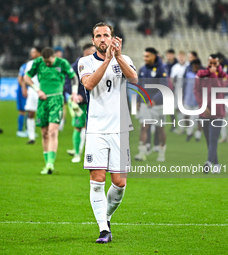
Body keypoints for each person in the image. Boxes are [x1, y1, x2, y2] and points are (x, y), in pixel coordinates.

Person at [78, 22, 137, 243]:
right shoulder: (85, 62)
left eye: (106, 35)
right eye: (98, 36)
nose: (103, 39)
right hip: (96, 129)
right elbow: (90, 84)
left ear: (113, 38)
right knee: (97, 179)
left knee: (120, 183)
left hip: (120, 129)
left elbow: (134, 79)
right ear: (93, 40)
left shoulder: (125, 59)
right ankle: (103, 230)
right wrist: (108, 61)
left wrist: (118, 57)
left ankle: (107, 217)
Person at [24, 47, 78, 174]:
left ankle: (50, 164)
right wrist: (37, 89)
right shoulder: (38, 62)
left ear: (53, 57)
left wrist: (74, 93)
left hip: (57, 100)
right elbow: (26, 77)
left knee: (53, 131)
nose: (47, 64)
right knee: (44, 133)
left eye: (49, 61)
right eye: (45, 61)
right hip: (43, 101)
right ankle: (46, 162)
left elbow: (74, 77)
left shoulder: (62, 63)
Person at [194, 54, 228, 173]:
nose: (212, 65)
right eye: (211, 63)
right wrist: (202, 106)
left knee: (213, 139)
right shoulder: (200, 74)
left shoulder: (223, 76)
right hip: (204, 112)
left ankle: (208, 162)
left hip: (217, 112)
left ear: (218, 63)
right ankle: (216, 164)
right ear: (207, 62)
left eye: (215, 63)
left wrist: (213, 74)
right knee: (209, 140)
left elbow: (220, 88)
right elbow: (196, 90)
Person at [134, 47, 168, 162]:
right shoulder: (143, 69)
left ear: (154, 56)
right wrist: (138, 101)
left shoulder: (161, 69)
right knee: (144, 127)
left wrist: (154, 100)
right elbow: (140, 86)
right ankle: (142, 152)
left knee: (160, 128)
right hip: (145, 104)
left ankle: (162, 152)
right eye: (144, 56)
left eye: (147, 56)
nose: (145, 58)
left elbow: (164, 87)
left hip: (158, 105)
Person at [67, 43, 96, 163]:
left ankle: (84, 152)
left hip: (94, 102)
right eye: (93, 51)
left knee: (91, 128)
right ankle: (77, 153)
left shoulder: (96, 64)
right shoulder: (76, 66)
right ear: (86, 52)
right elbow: (67, 83)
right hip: (80, 102)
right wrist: (74, 95)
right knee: (78, 127)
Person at [22, 47, 42, 144]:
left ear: (39, 53)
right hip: (32, 90)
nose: (32, 53)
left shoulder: (45, 62)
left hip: (43, 90)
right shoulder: (29, 64)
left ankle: (46, 134)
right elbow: (25, 77)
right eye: (31, 52)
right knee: (30, 113)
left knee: (43, 114)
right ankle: (31, 137)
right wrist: (24, 88)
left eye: (34, 52)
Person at [183, 59, 202, 141]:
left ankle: (198, 135)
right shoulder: (188, 74)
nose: (195, 67)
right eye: (193, 66)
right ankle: (189, 132)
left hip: (198, 101)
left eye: (196, 66)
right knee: (186, 117)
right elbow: (184, 85)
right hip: (188, 99)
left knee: (199, 119)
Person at [170, 50, 189, 134]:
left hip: (188, 90)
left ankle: (188, 127)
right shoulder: (175, 67)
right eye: (179, 57)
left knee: (187, 108)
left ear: (185, 57)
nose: (180, 58)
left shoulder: (188, 66)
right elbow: (171, 79)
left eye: (182, 56)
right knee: (178, 109)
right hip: (178, 89)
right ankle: (181, 128)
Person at [16, 61, 28, 138]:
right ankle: (20, 131)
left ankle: (28, 130)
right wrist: (24, 88)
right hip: (22, 91)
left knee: (30, 111)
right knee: (22, 111)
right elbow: (20, 79)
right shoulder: (25, 66)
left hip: (30, 91)